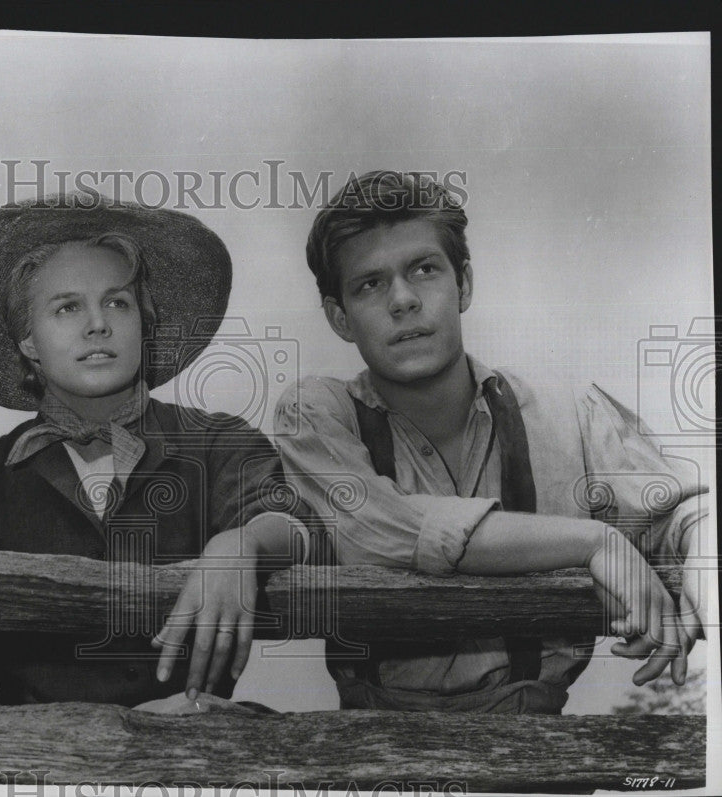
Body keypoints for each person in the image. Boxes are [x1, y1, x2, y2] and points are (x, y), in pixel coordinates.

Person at [274, 170, 708, 713]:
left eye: (424, 270)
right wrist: (594, 542)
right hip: (376, 754)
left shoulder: (566, 413)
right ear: (340, 317)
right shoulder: (316, 414)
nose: (403, 300)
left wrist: (702, 550)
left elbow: (684, 513)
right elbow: (373, 530)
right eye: (370, 283)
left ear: (465, 284)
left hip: (539, 752)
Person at [0, 194, 321, 707]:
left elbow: (299, 525)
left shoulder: (216, 440)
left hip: (193, 753)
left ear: (144, 323)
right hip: (32, 761)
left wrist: (243, 545)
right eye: (67, 307)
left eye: (117, 302)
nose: (98, 324)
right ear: (27, 341)